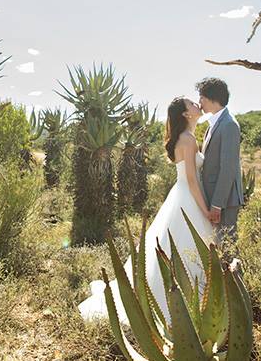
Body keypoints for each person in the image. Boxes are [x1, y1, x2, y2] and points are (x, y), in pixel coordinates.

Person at [78, 96, 215, 324]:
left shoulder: (185, 137)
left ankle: (191, 299)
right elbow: (192, 180)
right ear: (185, 114)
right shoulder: (188, 140)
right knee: (185, 246)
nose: (197, 105)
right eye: (192, 104)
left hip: (181, 195)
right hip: (189, 196)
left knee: (180, 247)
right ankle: (186, 303)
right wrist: (207, 210)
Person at [196, 77, 244, 244]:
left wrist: (217, 204)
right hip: (215, 196)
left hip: (225, 199)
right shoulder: (213, 124)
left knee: (227, 246)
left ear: (211, 98)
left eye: (201, 97)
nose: (199, 102)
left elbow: (228, 168)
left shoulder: (229, 125)